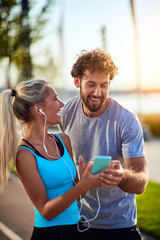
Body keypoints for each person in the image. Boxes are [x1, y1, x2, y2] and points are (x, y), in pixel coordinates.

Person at [59, 49, 149, 240]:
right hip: (79, 223)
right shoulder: (67, 113)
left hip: (121, 227)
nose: (98, 93)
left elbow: (141, 182)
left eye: (104, 85)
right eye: (91, 84)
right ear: (77, 81)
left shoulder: (126, 119)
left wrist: (121, 175)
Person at [0, 79, 102, 240]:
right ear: (39, 109)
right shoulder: (25, 155)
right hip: (50, 234)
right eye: (55, 99)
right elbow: (46, 211)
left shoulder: (63, 140)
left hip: (77, 231)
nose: (61, 104)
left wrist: (86, 178)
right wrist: (82, 185)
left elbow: (77, 196)